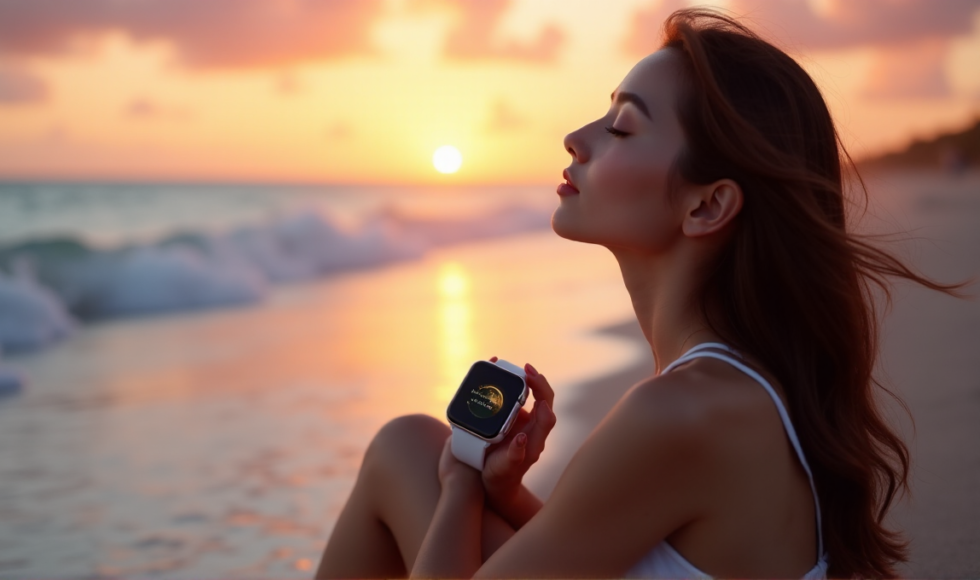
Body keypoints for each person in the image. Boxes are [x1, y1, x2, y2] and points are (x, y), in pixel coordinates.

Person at [316, 8, 963, 579]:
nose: (576, 136)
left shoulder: (679, 412)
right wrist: (507, 495)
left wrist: (461, 479)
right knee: (409, 446)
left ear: (708, 206)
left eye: (621, 128)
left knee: (408, 452)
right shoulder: (735, 390)